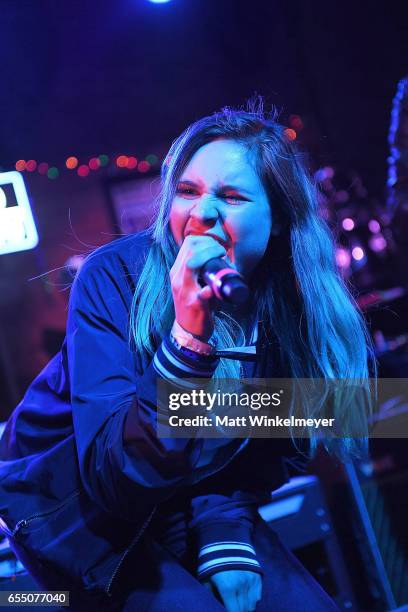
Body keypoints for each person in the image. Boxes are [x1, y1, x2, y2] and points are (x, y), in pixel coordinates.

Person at [0, 102, 373, 611]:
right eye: (187, 191)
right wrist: (188, 340)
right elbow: (116, 481)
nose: (202, 213)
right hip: (73, 505)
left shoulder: (295, 307)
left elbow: (279, 441)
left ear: (281, 218)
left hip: (189, 488)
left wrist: (223, 530)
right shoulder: (113, 279)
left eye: (233, 196)